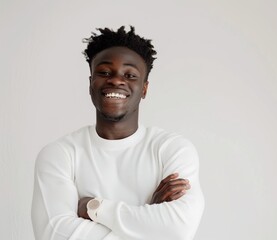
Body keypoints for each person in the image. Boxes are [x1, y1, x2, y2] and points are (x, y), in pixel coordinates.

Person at [31, 26, 204, 240]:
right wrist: (150, 218)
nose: (116, 80)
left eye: (130, 75)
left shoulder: (171, 149)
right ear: (90, 83)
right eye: (104, 72)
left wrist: (95, 208)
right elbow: (53, 233)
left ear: (144, 89)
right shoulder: (60, 154)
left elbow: (180, 228)